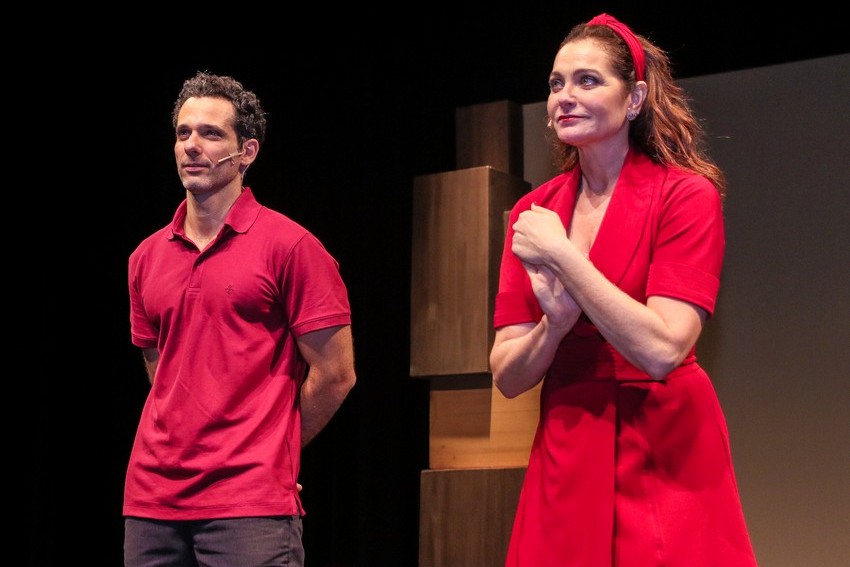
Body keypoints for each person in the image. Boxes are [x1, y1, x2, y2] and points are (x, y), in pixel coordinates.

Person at [490, 14, 758, 567]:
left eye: (588, 80)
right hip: (567, 439)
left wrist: (565, 257)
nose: (565, 96)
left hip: (663, 442)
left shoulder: (686, 195)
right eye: (556, 83)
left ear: (634, 99)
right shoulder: (534, 212)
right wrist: (554, 327)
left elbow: (663, 350)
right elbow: (508, 377)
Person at [123, 71, 357, 567]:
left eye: (211, 133)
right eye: (183, 133)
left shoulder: (291, 246)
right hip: (152, 501)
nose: (191, 146)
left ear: (246, 152)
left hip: (248, 506)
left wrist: (276, 452)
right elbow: (159, 366)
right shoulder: (145, 257)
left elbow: (336, 374)